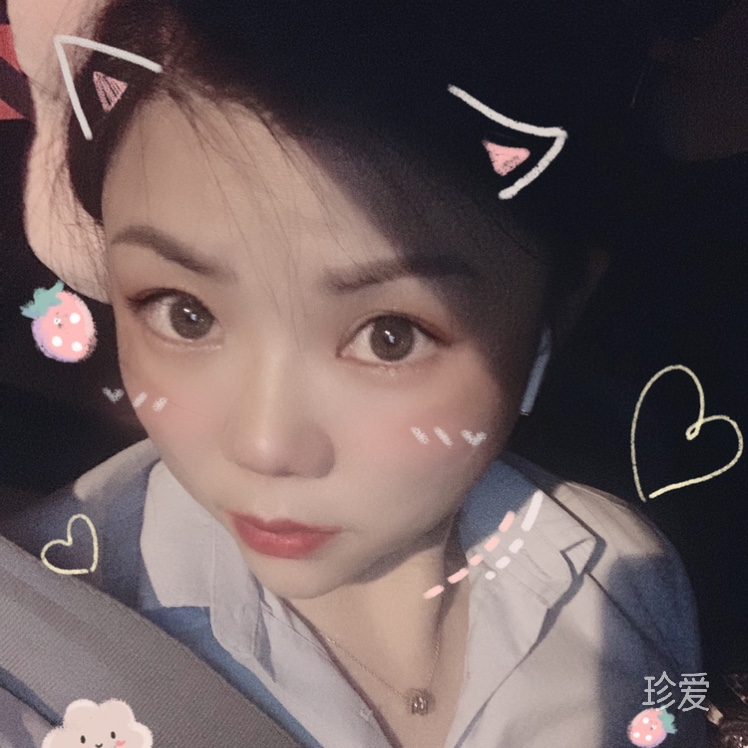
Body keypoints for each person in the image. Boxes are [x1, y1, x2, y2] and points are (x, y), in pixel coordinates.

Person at [2, 0, 706, 745]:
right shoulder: (37, 646)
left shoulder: (623, 576)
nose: (265, 446)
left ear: (555, 313)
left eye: (389, 337)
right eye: (185, 314)